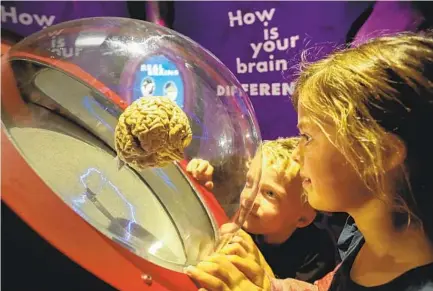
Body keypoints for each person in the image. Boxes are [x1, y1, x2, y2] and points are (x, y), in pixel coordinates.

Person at [185, 32, 433, 291]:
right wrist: (270, 286)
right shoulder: (364, 234)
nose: (296, 153)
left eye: (307, 136)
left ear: (381, 153)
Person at [186, 137, 337, 282]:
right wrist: (202, 183)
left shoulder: (319, 254)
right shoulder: (248, 217)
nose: (250, 198)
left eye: (270, 193)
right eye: (250, 183)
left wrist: (256, 263)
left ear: (302, 219)